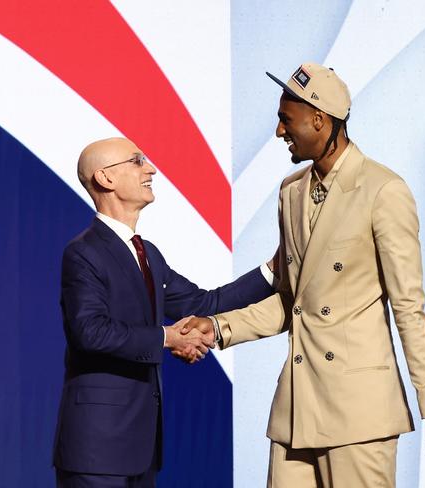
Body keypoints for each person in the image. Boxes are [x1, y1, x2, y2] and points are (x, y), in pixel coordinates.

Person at [181, 62, 425, 487]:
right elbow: (291, 301)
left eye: (286, 120)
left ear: (320, 120)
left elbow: (409, 310)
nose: (279, 131)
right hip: (296, 411)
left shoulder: (383, 191)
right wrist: (217, 327)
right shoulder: (290, 191)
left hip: (358, 416)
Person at [52, 137, 275, 488]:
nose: (151, 169)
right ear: (105, 178)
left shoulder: (149, 254)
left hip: (141, 448)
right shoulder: (83, 253)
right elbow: (90, 332)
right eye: (137, 161)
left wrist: (275, 270)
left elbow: (205, 304)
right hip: (96, 450)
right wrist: (169, 337)